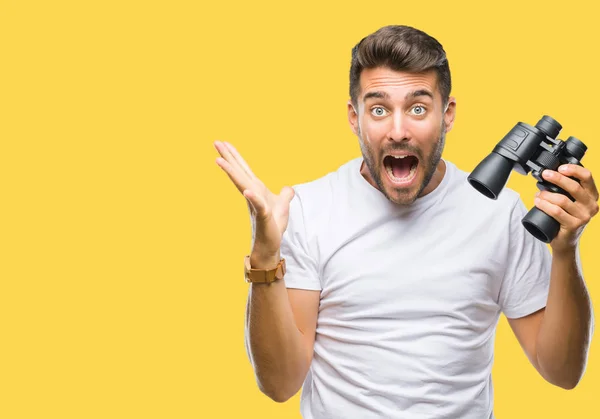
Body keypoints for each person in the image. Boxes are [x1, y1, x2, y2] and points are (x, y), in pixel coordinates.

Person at [214, 25, 598, 418]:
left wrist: (566, 249)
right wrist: (264, 258)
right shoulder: (308, 209)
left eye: (418, 108)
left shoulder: (500, 213)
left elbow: (563, 373)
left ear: (447, 115)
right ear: (354, 116)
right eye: (378, 109)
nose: (398, 131)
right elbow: (280, 384)